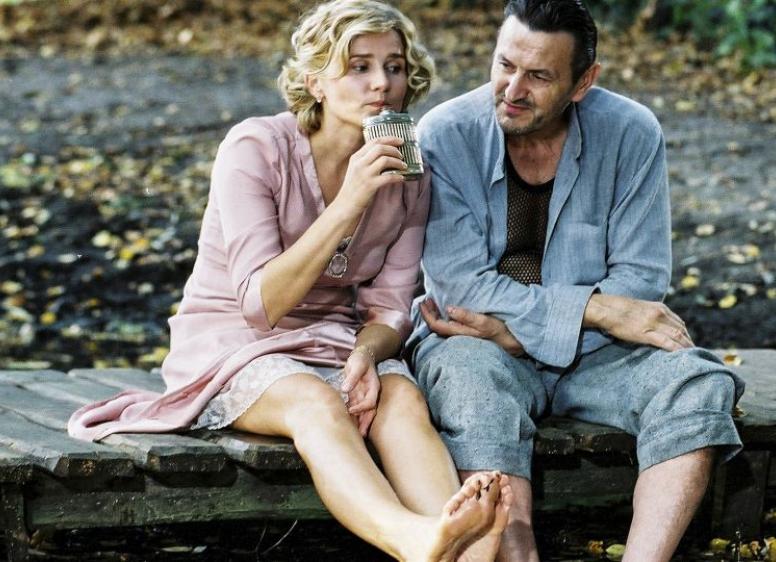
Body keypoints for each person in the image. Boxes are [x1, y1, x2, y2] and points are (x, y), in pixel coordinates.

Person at [68, 1, 514, 559]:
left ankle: (465, 551)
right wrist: (351, 199)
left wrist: (366, 354)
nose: (382, 83)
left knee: (400, 398)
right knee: (316, 403)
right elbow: (260, 304)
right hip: (235, 341)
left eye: (394, 67)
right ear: (315, 82)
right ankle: (413, 539)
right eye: (358, 66)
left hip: (334, 340)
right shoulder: (255, 149)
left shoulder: (407, 173)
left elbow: (391, 309)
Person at [407, 1, 745, 561]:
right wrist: (596, 308)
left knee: (698, 382)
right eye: (504, 65)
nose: (513, 90)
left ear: (583, 82)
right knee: (469, 384)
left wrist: (520, 332)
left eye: (539, 76)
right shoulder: (445, 135)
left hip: (596, 354)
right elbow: (461, 290)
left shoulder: (631, 132)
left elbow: (639, 282)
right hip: (478, 346)